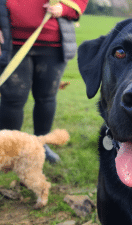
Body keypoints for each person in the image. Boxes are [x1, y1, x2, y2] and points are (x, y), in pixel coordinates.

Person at [0, 0, 88, 163]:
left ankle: (41, 145)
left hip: (53, 44)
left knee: (46, 97)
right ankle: (8, 148)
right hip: (11, 43)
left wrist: (64, 8)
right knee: (12, 99)